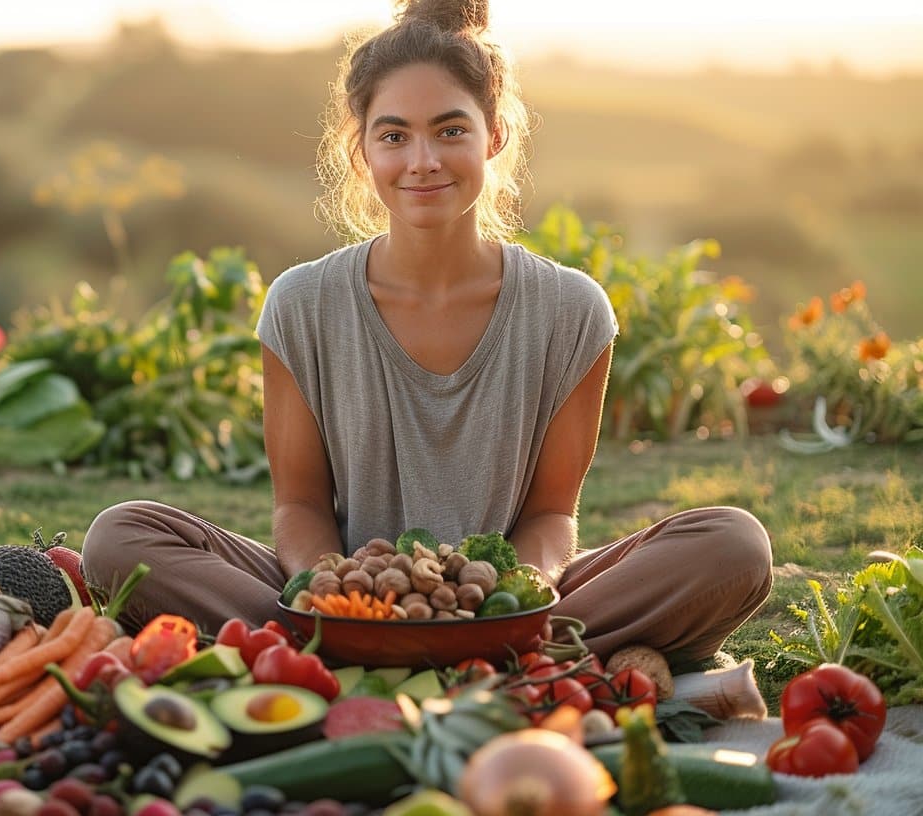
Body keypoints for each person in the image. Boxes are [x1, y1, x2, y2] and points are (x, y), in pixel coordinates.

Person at [81, 0, 772, 665]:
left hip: (507, 602)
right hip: (345, 597)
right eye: (393, 135)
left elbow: (551, 516)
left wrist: (515, 596)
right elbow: (298, 505)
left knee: (733, 545)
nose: (423, 161)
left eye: (450, 130)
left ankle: (465, 647)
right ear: (361, 151)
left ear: (493, 135)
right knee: (120, 537)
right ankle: (467, 658)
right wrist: (343, 594)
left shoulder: (571, 312)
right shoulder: (302, 305)